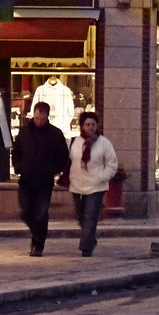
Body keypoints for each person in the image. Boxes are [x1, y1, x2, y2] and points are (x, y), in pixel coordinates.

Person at [11, 101, 70, 257]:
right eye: (36, 118)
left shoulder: (55, 134)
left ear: (47, 117)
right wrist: (18, 167)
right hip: (26, 179)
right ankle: (38, 231)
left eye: (42, 119)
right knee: (25, 212)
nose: (38, 122)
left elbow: (63, 155)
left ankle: (37, 244)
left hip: (44, 180)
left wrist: (54, 169)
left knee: (41, 212)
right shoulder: (24, 133)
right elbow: (16, 152)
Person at [68, 111, 119, 257]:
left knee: (90, 215)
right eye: (87, 124)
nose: (90, 127)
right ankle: (90, 239)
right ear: (82, 126)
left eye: (93, 124)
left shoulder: (104, 144)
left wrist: (102, 177)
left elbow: (112, 164)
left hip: (96, 186)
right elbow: (70, 161)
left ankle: (86, 247)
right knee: (81, 216)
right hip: (77, 185)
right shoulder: (75, 142)